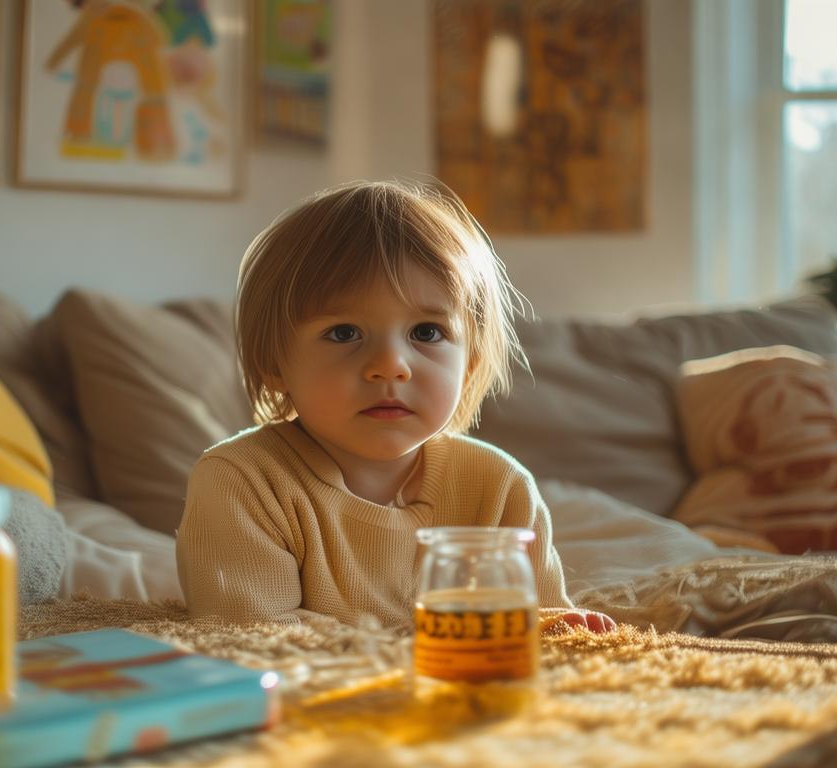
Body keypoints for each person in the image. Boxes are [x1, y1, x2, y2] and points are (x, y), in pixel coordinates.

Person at [176, 179, 616, 635]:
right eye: (344, 332)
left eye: (426, 333)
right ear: (274, 363)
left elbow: (535, 623)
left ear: (470, 365)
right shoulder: (243, 481)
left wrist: (560, 628)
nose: (390, 367)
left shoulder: (499, 487)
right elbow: (250, 637)